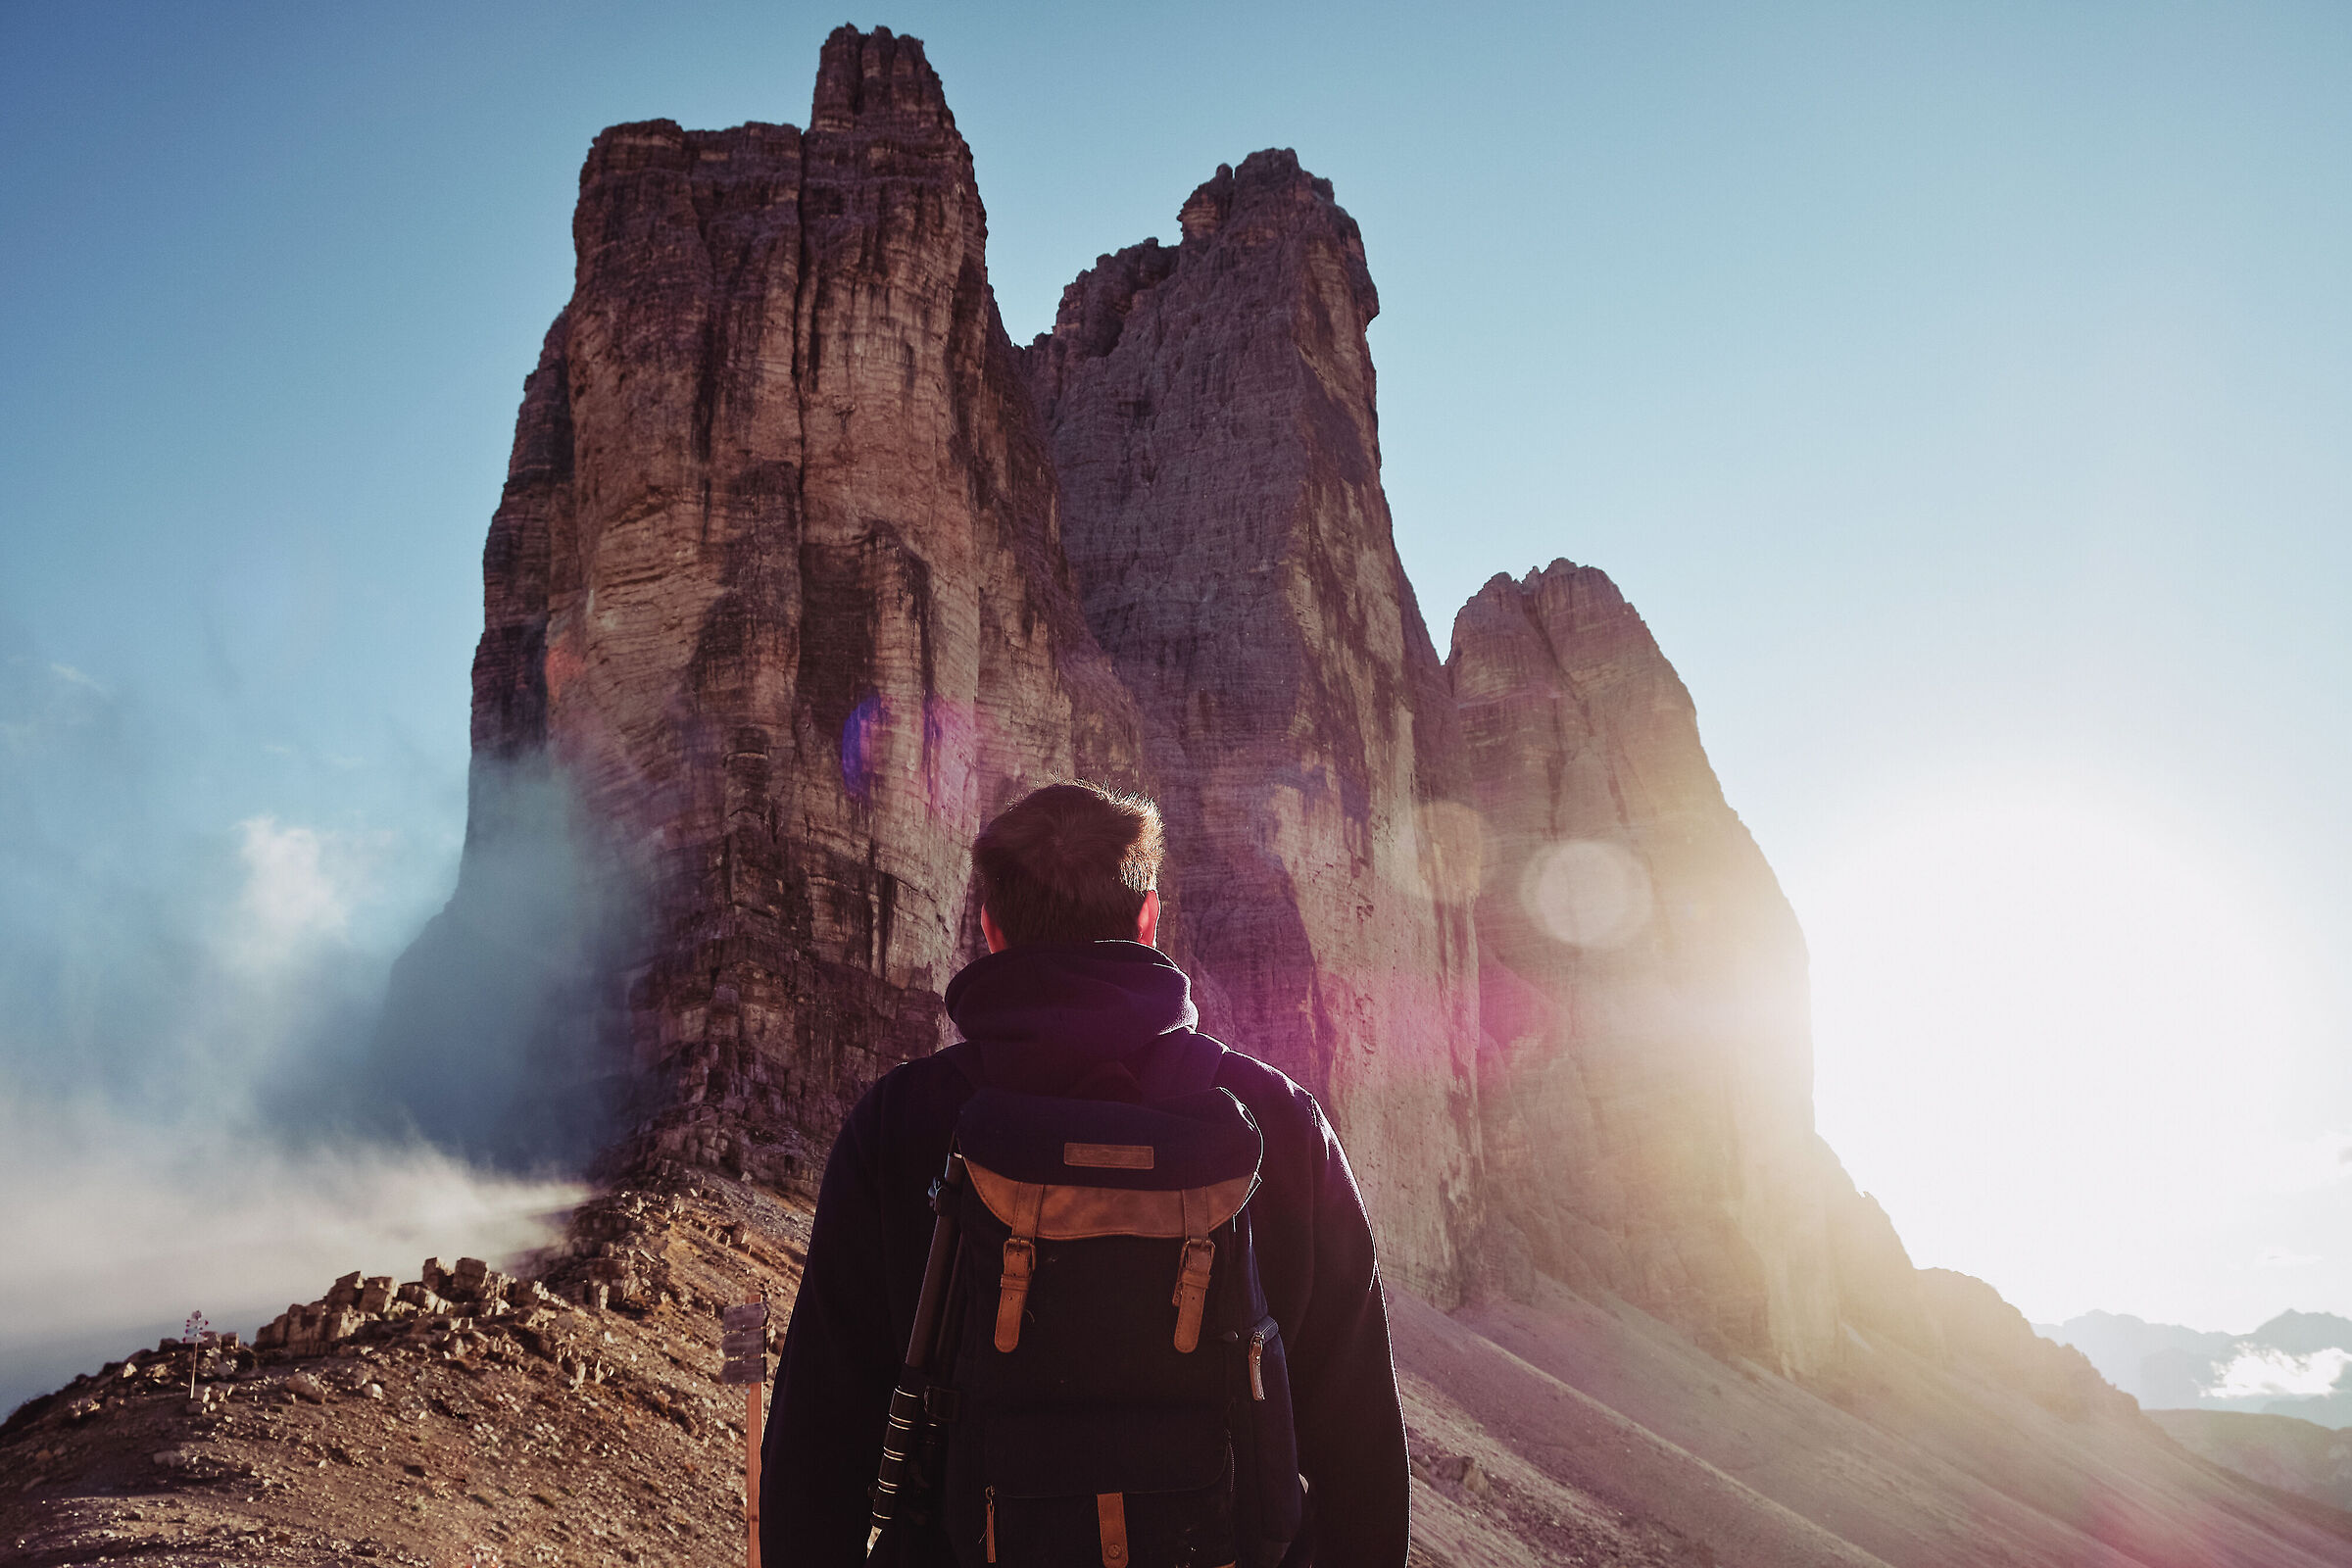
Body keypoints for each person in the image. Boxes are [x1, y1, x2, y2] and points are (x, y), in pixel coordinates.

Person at [761, 780, 1409, 1566]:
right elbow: (1363, 1459)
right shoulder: (1279, 1122)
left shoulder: (899, 1126)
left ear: (990, 928)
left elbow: (816, 1454)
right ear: (1149, 919)